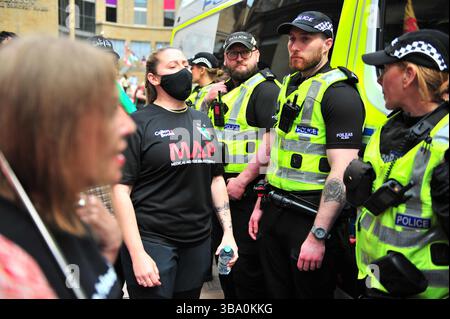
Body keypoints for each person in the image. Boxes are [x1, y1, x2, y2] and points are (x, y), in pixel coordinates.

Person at [233, 11, 365, 298]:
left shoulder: (340, 94)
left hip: (310, 216)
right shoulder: (290, 84)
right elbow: (276, 147)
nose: (295, 46)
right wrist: (260, 202)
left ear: (327, 43)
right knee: (274, 292)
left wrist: (318, 236)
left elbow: (341, 172)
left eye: (306, 39)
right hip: (275, 208)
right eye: (292, 39)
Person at [0, 36, 136, 298]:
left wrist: (108, 248)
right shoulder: (11, 271)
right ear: (47, 128)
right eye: (107, 111)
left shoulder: (68, 208)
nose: (129, 126)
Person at [112, 47, 238, 299]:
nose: (182, 70)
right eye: (172, 66)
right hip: (153, 242)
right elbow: (119, 191)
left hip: (198, 242)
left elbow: (215, 179)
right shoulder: (137, 124)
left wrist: (228, 234)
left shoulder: (202, 122)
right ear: (153, 78)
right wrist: (137, 254)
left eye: (184, 64)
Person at [346, 29, 449, 299]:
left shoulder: (444, 142)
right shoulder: (390, 125)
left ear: (409, 75)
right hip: (375, 283)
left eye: (384, 69)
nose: (378, 80)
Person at [205, 32, 280, 299]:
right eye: (233, 54)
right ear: (225, 58)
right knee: (226, 266)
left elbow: (273, 141)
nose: (239, 58)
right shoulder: (227, 90)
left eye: (244, 53)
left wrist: (242, 181)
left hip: (246, 194)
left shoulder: (266, 89)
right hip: (223, 191)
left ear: (257, 55)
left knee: (247, 270)